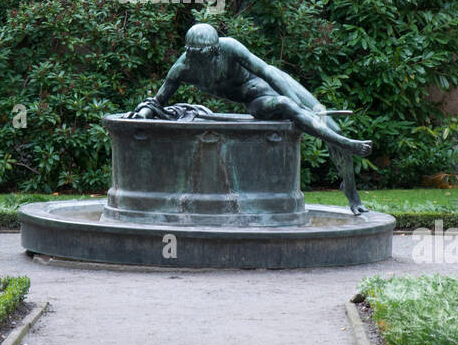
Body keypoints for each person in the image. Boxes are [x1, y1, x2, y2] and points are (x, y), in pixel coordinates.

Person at [135, 23, 373, 214]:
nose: (201, 64)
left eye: (206, 58)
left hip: (276, 83)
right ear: (189, 54)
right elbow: (157, 101)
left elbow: (267, 71)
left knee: (330, 125)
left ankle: (350, 189)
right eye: (196, 59)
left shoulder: (230, 47)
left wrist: (298, 102)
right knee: (288, 107)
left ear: (215, 50)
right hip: (256, 100)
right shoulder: (182, 69)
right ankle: (344, 144)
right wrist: (144, 113)